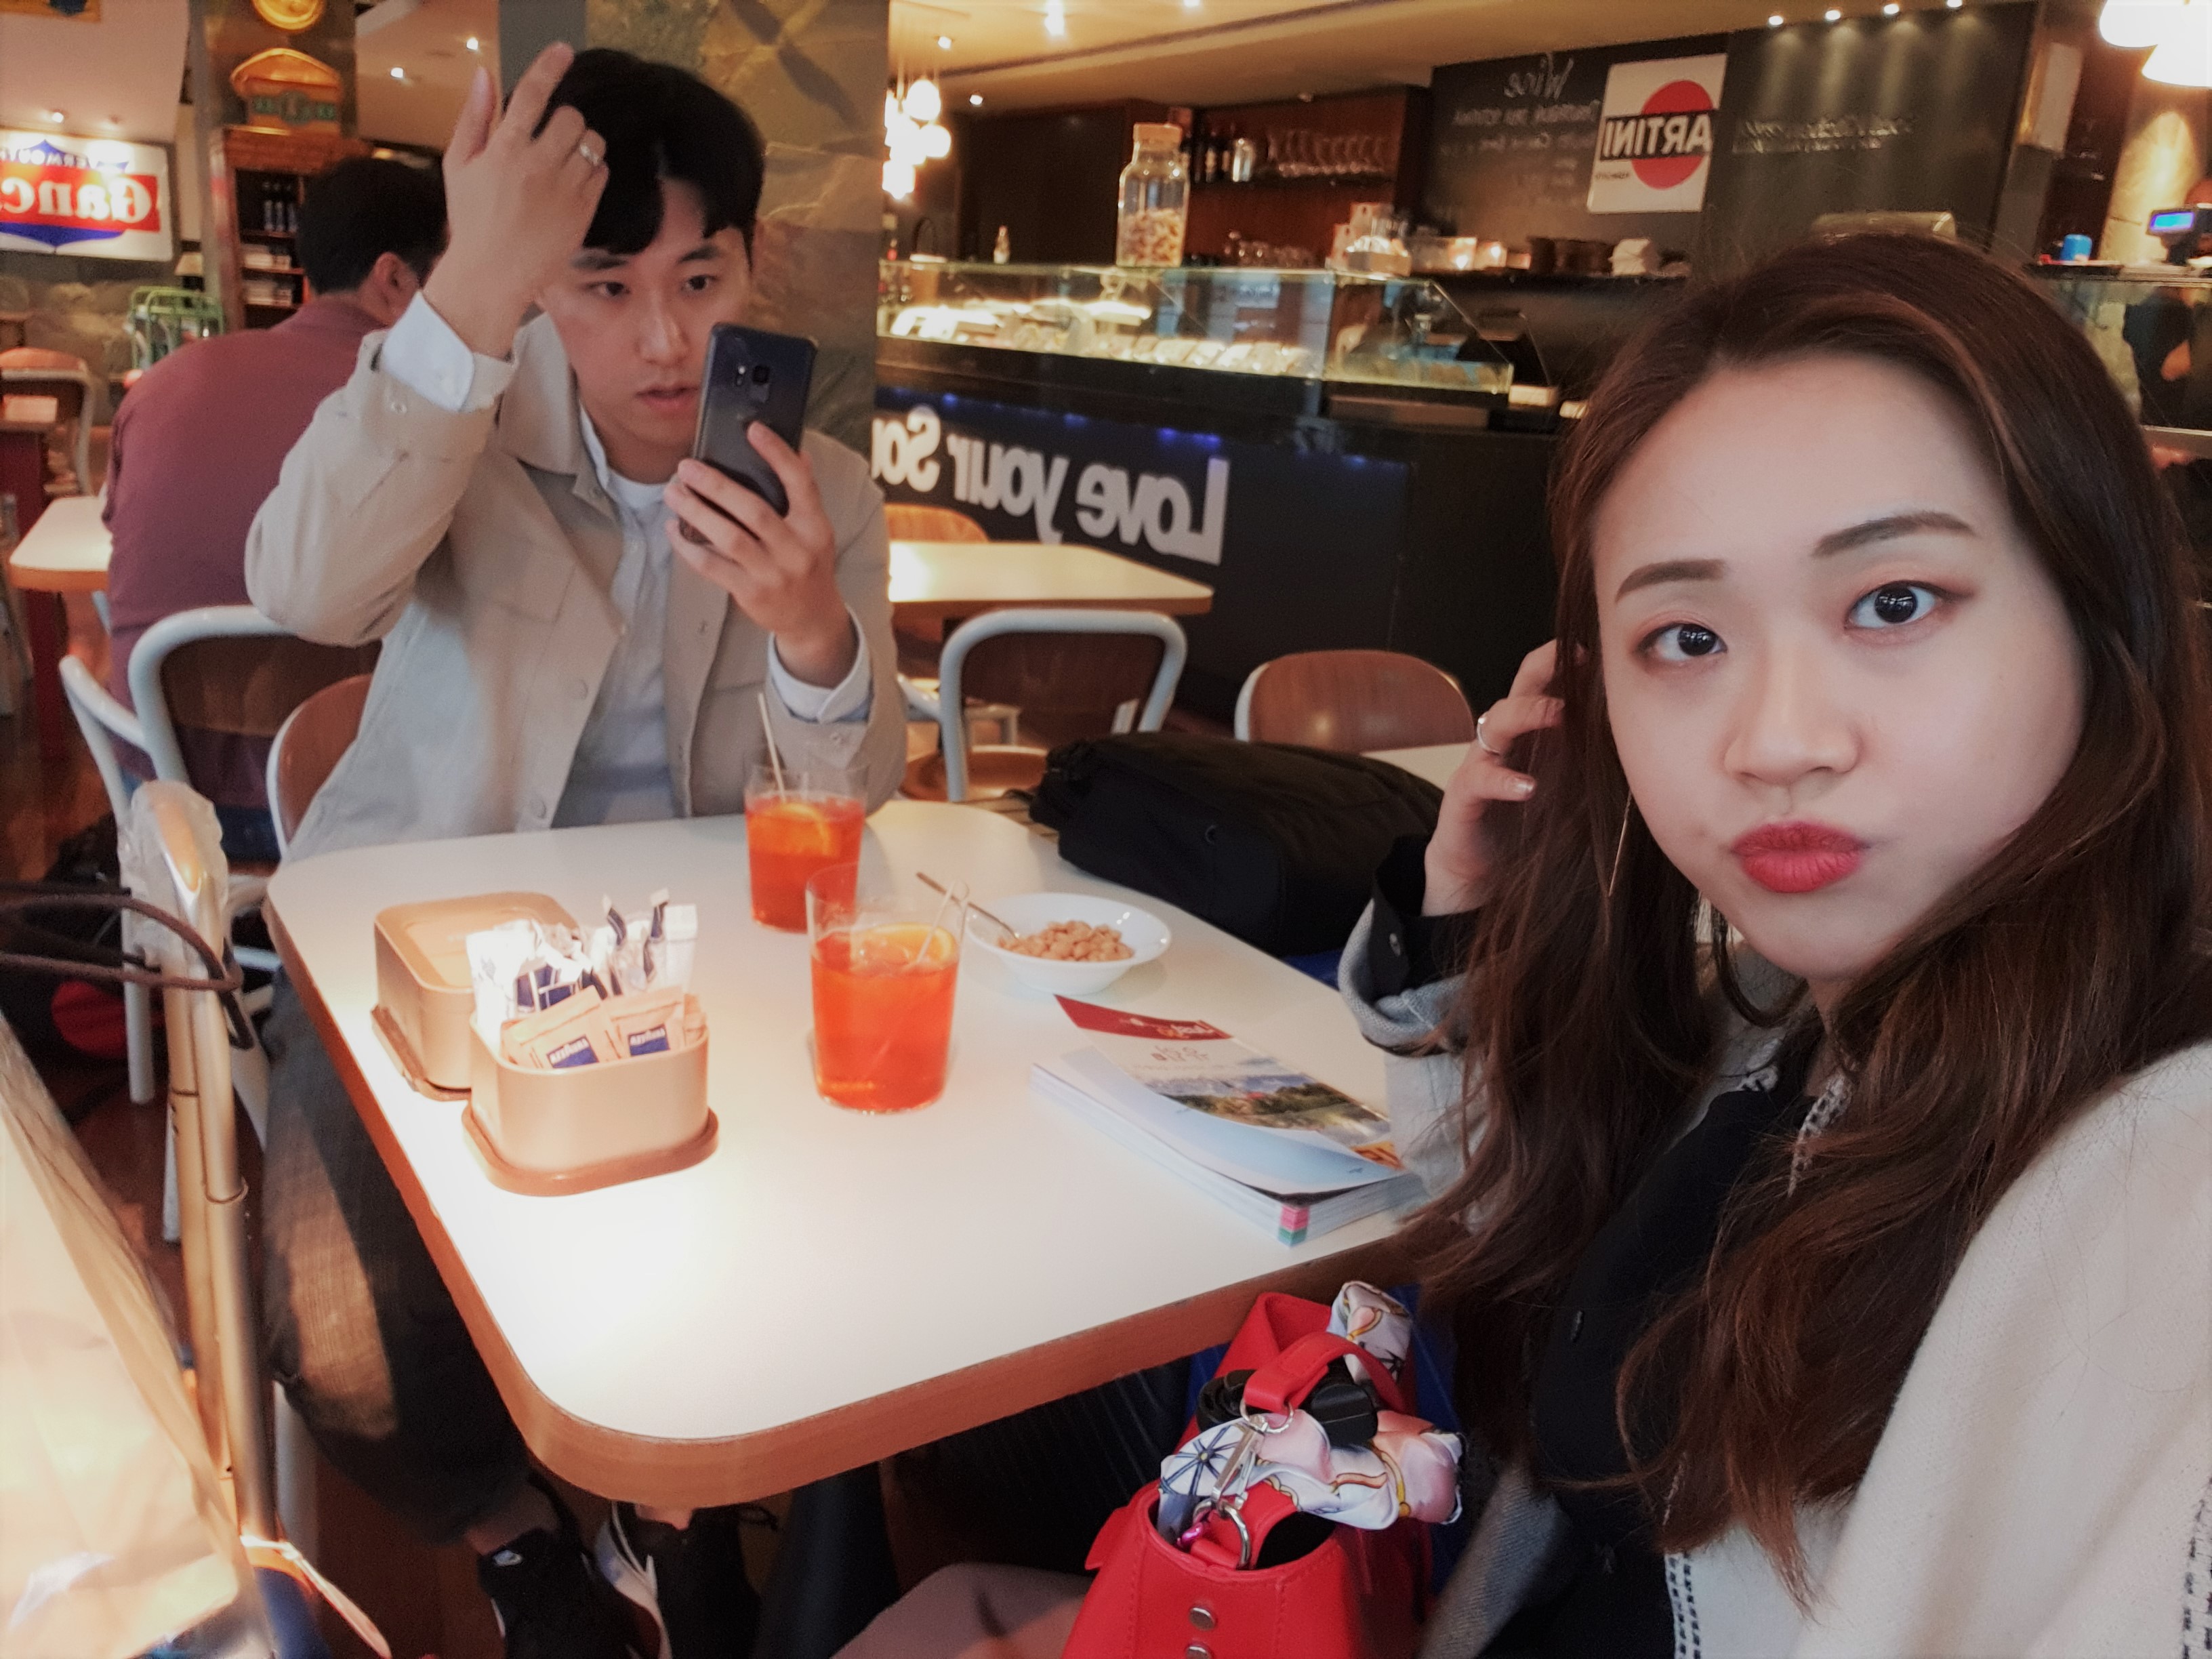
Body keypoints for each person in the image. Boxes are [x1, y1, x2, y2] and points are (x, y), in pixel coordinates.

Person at [838, 232, 2212, 1655]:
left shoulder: (2160, 1183)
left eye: (1893, 604)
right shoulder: (1777, 1019)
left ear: (2098, 614)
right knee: (938, 1606)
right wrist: (1473, 922)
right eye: (1686, 638)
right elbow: (1517, 1209)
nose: (1777, 740)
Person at [244, 43, 907, 1659]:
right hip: (412, 953)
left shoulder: (816, 487)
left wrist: (814, 635)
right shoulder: (457, 413)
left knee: (851, 1208)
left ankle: (702, 1497)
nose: (664, 337)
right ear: (545, 286)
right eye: (605, 287)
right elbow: (304, 589)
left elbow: (847, 807)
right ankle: (521, 1537)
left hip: (694, 962)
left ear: (754, 263)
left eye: (700, 278)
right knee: (338, 1336)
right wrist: (468, 295)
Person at [100, 156, 444, 863]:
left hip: (166, 801)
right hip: (358, 805)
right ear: (395, 279)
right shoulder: (435, 415)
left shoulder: (163, 385)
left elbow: (120, 533)